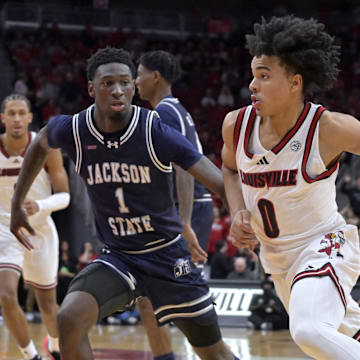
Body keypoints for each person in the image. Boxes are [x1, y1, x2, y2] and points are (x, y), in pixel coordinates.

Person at [10, 48, 239, 360]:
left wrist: (241, 216)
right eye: (107, 84)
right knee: (69, 319)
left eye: (124, 83)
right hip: (119, 258)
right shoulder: (75, 129)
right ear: (92, 88)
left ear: (134, 86)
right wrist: (17, 203)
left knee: (215, 354)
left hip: (166, 256)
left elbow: (213, 177)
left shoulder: (153, 129)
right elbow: (39, 143)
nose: (117, 90)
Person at [221, 15, 360, 360]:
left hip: (324, 246)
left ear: (295, 82)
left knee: (308, 331)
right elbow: (228, 168)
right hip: (278, 263)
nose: (253, 85)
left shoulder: (327, 128)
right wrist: (238, 210)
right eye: (253, 75)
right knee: (342, 336)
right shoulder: (235, 126)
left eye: (264, 76)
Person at [135, 50, 216, 360]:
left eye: (140, 73)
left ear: (156, 76)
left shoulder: (164, 113)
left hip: (188, 208)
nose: (136, 80)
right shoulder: (174, 110)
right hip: (189, 207)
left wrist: (183, 221)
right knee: (150, 295)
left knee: (174, 297)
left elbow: (183, 167)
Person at [0, 94, 70, 360]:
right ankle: (31, 356)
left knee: (49, 308)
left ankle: (54, 346)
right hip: (5, 230)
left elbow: (65, 196)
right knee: (6, 295)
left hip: (39, 230)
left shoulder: (45, 147)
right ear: (3, 118)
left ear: (29, 118)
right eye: (11, 113)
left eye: (21, 113)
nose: (16, 118)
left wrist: (39, 205)